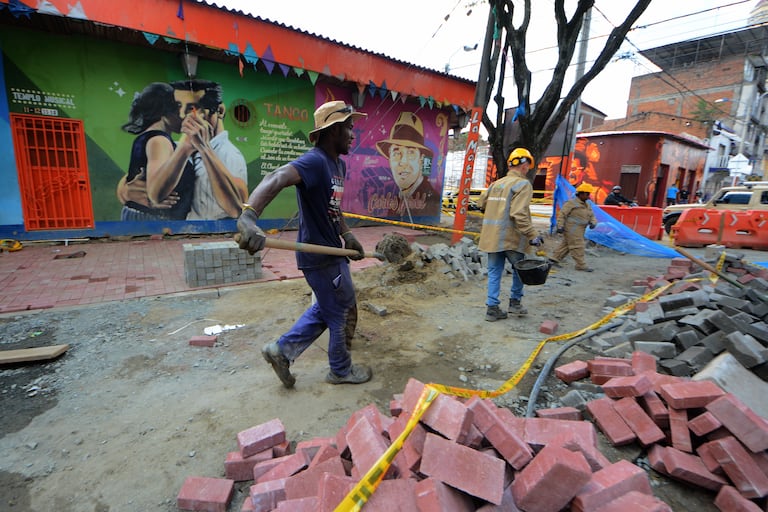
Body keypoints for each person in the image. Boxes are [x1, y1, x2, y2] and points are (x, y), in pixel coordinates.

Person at [236, 100, 371, 388]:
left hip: (332, 250)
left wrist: (347, 234)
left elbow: (334, 209)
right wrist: (249, 216)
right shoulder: (316, 161)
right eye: (349, 128)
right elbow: (277, 176)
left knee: (326, 308)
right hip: (319, 256)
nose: (352, 134)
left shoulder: (337, 165)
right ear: (333, 130)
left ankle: (281, 352)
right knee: (341, 311)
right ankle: (340, 370)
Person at [477, 147, 543, 322]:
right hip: (511, 237)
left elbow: (481, 203)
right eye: (528, 165)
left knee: (494, 271)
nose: (528, 169)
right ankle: (515, 304)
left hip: (492, 238)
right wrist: (532, 234)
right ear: (524, 165)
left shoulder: (496, 184)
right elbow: (518, 213)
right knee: (520, 270)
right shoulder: (523, 184)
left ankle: (492, 309)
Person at [170, 79, 248, 220]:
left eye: (192, 108)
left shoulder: (229, 155)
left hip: (213, 236)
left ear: (220, 110)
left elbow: (237, 209)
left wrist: (204, 148)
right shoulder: (179, 147)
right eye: (178, 107)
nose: (182, 116)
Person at [118, 82, 196, 221]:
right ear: (164, 111)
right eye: (178, 107)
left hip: (141, 217)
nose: (183, 115)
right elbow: (156, 193)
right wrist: (186, 147)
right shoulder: (159, 141)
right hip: (153, 221)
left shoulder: (148, 138)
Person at [375, 112, 439, 219]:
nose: (403, 162)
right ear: (390, 159)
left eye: (411, 153)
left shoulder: (431, 199)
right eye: (396, 153)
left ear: (421, 159)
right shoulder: (397, 199)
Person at [550, 182, 598, 272]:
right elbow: (562, 215)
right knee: (577, 246)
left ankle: (553, 259)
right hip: (572, 228)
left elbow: (592, 215)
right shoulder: (571, 203)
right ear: (581, 193)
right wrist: (560, 226)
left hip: (580, 228)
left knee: (567, 244)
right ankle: (581, 265)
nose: (589, 196)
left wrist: (593, 222)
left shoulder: (587, 204)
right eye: (587, 194)